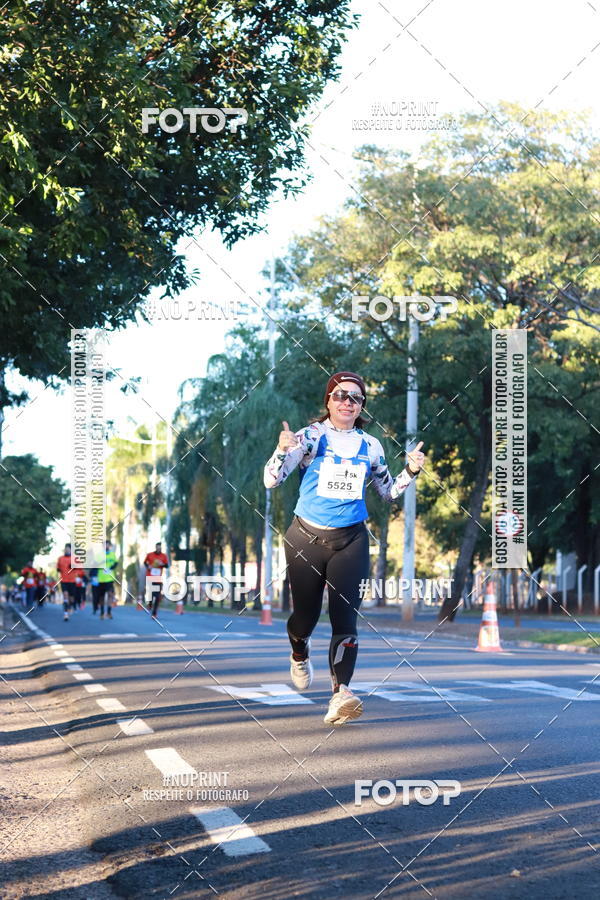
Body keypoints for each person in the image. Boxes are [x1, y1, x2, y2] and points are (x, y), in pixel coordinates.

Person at [263, 371, 425, 726]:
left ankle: (342, 694)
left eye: (355, 398)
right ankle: (298, 649)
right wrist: (281, 450)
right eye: (340, 395)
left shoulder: (371, 446)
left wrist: (411, 470)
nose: (347, 402)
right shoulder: (309, 438)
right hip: (305, 538)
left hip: (350, 540)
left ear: (361, 405)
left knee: (345, 619)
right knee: (304, 617)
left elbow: (387, 492)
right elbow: (271, 480)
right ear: (328, 400)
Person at [143, 542, 169, 619]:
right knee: (151, 593)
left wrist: (162, 564)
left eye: (160, 548)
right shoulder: (150, 555)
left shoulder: (164, 556)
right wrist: (148, 566)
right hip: (150, 576)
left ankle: (154, 614)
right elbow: (145, 562)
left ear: (161, 548)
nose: (158, 549)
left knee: (157, 596)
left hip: (158, 578)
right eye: (157, 547)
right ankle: (150, 604)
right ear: (155, 547)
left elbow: (167, 565)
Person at [57, 544, 78, 621]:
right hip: (63, 581)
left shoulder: (74, 558)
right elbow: (58, 568)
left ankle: (70, 606)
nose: (66, 550)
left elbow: (79, 567)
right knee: (65, 595)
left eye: (68, 549)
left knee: (71, 598)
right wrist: (59, 570)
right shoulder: (60, 558)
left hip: (72, 581)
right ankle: (65, 614)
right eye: (66, 549)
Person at [97, 540, 118, 619]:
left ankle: (109, 612)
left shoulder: (112, 554)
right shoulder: (99, 555)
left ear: (109, 546)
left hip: (110, 578)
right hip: (101, 579)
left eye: (108, 545)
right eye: (105, 545)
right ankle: (102, 612)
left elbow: (116, 563)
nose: (106, 546)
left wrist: (112, 567)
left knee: (110, 595)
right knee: (102, 597)